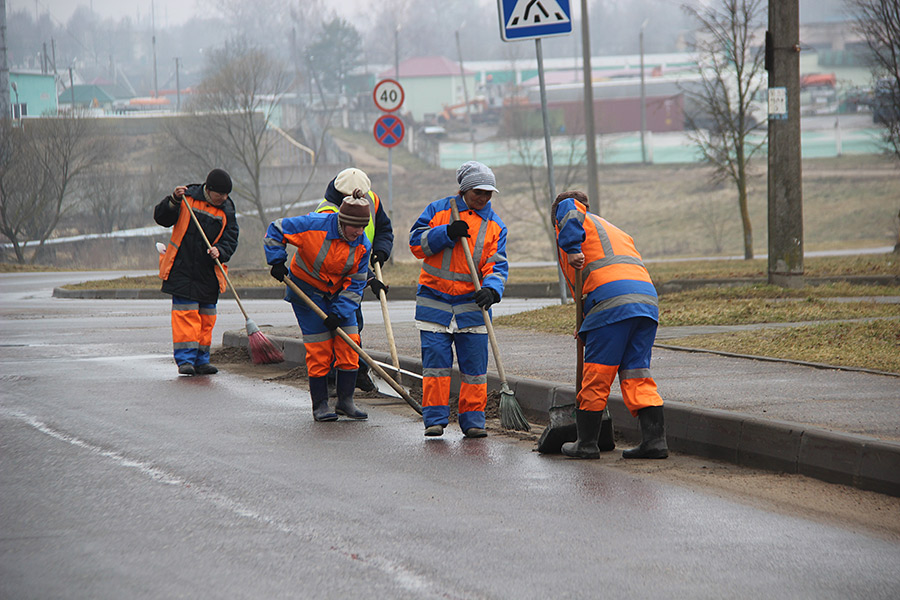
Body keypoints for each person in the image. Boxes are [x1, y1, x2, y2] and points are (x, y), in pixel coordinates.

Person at [551, 190, 668, 459]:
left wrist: (571, 249)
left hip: (612, 303)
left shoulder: (571, 214)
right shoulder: (612, 230)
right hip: (645, 303)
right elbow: (595, 278)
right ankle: (655, 441)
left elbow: (569, 206)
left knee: (598, 374)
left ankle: (586, 443)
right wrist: (585, 322)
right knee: (636, 372)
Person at [409, 161, 508, 438]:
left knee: (474, 369)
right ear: (464, 190)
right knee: (436, 366)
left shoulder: (495, 225)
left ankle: (474, 421)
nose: (484, 197)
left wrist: (492, 290)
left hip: (472, 305)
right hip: (434, 302)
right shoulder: (438, 211)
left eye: (488, 193)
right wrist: (446, 233)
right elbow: (416, 244)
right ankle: (434, 420)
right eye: (478, 192)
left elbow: (497, 265)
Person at [265, 190, 372, 422]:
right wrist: (276, 261)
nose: (359, 232)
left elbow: (356, 284)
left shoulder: (363, 244)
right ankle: (320, 405)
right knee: (320, 348)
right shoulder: (314, 225)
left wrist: (339, 312)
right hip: (307, 293)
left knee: (350, 344)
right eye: (355, 227)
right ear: (343, 221)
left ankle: (345, 401)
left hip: (338, 295)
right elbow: (276, 229)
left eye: (363, 227)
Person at [314, 167, 393, 393]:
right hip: (330, 278)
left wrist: (381, 252)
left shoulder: (372, 200)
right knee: (332, 326)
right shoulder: (328, 211)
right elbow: (342, 254)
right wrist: (370, 278)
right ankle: (332, 377)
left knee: (354, 324)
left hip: (357, 269)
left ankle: (355, 371)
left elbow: (384, 230)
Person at [154, 168, 239, 376]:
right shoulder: (187, 198)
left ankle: (202, 360)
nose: (224, 198)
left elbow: (231, 238)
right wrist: (173, 200)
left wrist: (220, 250)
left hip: (208, 273)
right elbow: (162, 217)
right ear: (209, 190)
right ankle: (185, 360)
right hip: (182, 269)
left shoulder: (227, 210)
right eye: (220, 194)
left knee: (206, 319)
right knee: (185, 316)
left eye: (226, 194)